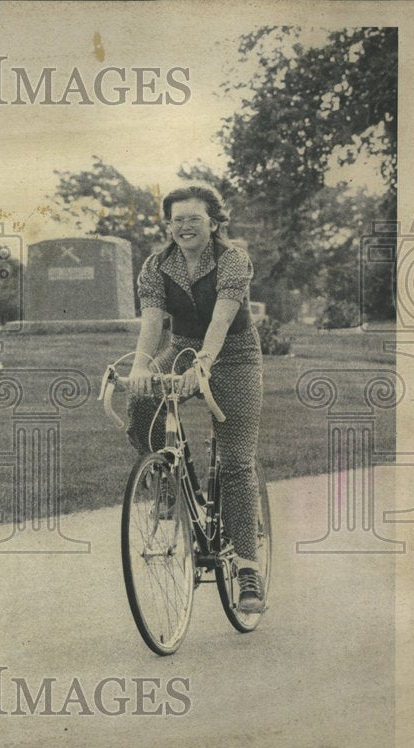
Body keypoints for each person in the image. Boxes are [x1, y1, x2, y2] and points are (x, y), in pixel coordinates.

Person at [127, 183, 265, 613]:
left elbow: (223, 319)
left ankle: (247, 568)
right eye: (177, 219)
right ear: (168, 225)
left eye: (194, 219)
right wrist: (141, 366)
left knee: (237, 461)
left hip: (235, 355)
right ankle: (170, 483)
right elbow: (152, 325)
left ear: (213, 223)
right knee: (142, 407)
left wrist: (203, 364)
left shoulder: (232, 259)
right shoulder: (155, 265)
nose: (185, 226)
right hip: (181, 344)